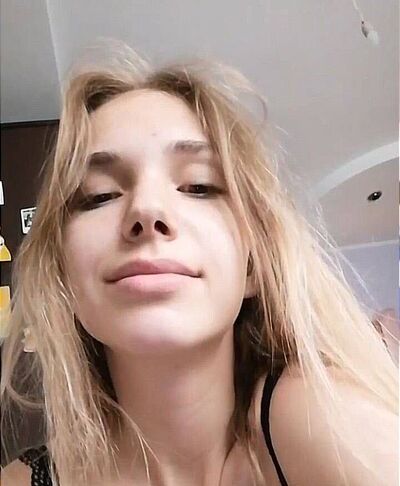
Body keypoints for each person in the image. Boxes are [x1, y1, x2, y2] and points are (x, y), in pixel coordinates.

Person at [1, 41, 398, 486]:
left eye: (199, 186)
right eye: (99, 195)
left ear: (253, 266)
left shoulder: (319, 415)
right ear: (63, 276)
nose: (146, 210)